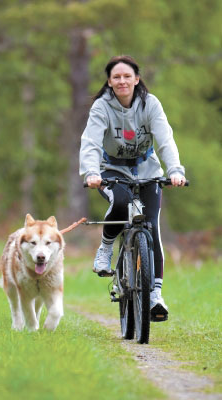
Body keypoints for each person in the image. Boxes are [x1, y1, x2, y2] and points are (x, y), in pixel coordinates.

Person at [79, 55, 186, 320]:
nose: (122, 81)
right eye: (117, 77)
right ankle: (105, 248)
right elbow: (91, 142)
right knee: (121, 201)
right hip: (111, 170)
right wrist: (92, 172)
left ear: (137, 79)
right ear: (109, 81)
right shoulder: (102, 107)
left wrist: (174, 170)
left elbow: (165, 140)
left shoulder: (150, 104)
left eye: (127, 76)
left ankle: (155, 296)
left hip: (147, 169)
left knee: (151, 226)